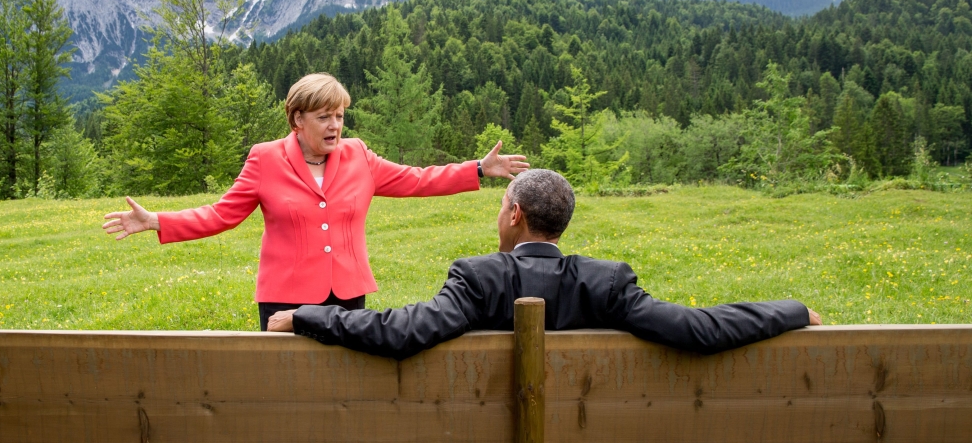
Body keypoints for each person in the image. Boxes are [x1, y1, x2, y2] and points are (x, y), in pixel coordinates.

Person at [102, 73, 529, 330]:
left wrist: (476, 169)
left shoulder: (359, 155)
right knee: (286, 390)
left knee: (344, 386)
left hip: (347, 294)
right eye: (324, 116)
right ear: (297, 119)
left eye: (340, 116)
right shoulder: (264, 159)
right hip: (285, 296)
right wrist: (157, 220)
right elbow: (221, 214)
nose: (335, 125)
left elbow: (415, 179)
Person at [267, 169, 822, 360]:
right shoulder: (606, 282)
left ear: (513, 214)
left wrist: (307, 316)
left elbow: (402, 332)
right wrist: (792, 310)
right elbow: (699, 329)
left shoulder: (477, 278)